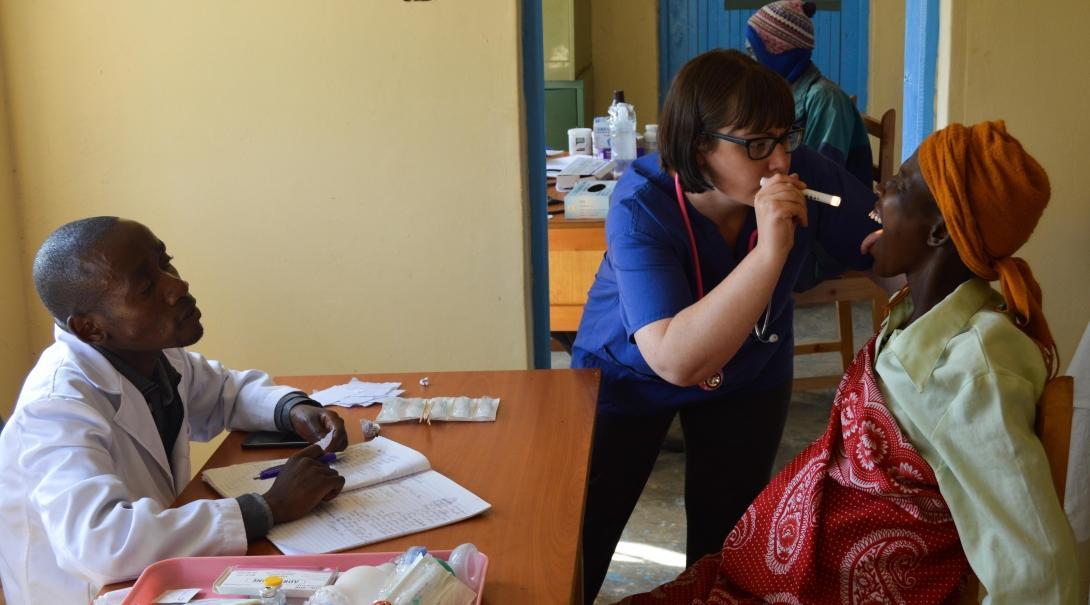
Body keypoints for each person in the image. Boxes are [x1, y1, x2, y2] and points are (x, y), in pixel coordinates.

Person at [615, 121, 1079, 604]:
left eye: (896, 186)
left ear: (940, 229)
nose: (876, 199)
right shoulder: (915, 320)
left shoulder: (973, 371)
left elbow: (1039, 572)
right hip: (779, 580)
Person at [571, 49, 880, 602]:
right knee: (582, 538)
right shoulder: (641, 205)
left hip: (748, 377)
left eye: (787, 137)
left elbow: (890, 247)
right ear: (697, 146)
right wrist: (768, 256)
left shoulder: (805, 173)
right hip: (630, 379)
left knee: (727, 547)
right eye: (758, 144)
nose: (782, 161)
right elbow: (675, 359)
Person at [0, 217, 357, 605]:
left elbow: (225, 392)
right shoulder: (56, 407)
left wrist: (291, 409)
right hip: (90, 594)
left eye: (165, 262)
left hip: (159, 574)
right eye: (147, 287)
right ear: (89, 328)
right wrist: (267, 507)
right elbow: (100, 543)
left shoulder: (151, 352)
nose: (178, 286)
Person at [746, 0, 872, 185]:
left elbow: (819, 180)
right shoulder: (777, 95)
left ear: (779, 54)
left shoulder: (827, 100)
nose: (748, 62)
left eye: (752, 51)